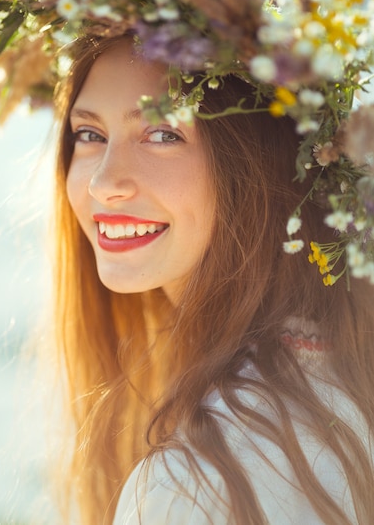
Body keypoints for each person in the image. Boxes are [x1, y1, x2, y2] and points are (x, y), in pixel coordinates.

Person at [49, 32, 374, 525]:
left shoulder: (193, 483)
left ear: (255, 159)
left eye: (163, 134)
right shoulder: (344, 366)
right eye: (90, 135)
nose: (102, 183)